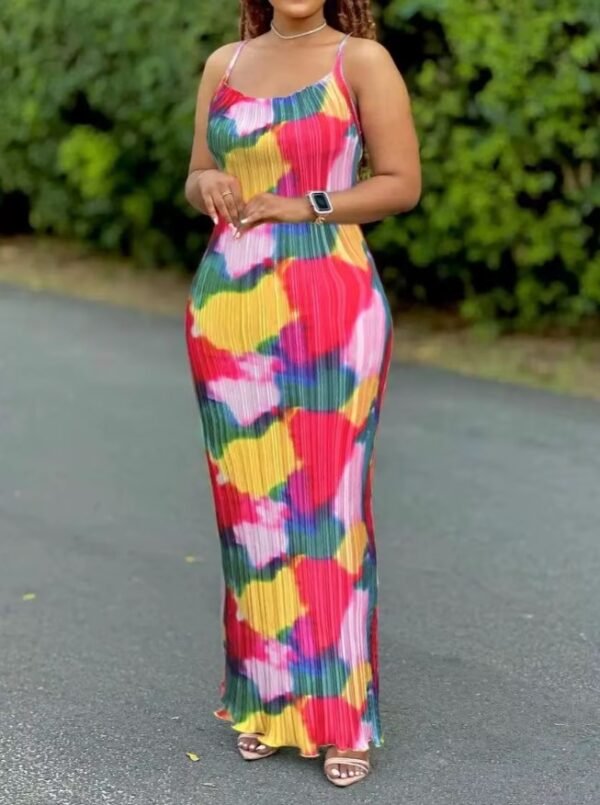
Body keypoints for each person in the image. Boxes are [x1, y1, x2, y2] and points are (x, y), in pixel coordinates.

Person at [183, 0, 421, 789]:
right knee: (249, 507)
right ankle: (263, 700)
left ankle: (339, 714)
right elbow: (195, 178)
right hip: (230, 304)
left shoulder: (362, 62)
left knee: (327, 509)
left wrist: (307, 202)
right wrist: (208, 179)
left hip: (330, 298)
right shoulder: (226, 64)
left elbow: (400, 184)